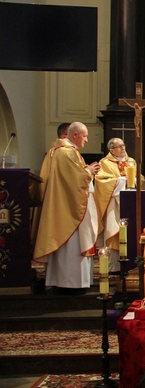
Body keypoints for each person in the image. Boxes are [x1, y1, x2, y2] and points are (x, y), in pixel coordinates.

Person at [33, 122, 101, 292]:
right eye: (84, 136)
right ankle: (70, 283)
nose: (86, 140)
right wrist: (89, 171)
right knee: (71, 245)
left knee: (68, 245)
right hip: (69, 209)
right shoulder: (65, 153)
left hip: (64, 204)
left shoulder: (59, 152)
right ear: (74, 135)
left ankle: (65, 281)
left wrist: (85, 170)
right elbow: (74, 180)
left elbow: (69, 177)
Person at [94, 138, 135, 272]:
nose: (123, 148)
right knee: (113, 230)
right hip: (113, 204)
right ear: (111, 150)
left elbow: (139, 179)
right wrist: (122, 181)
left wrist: (133, 180)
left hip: (130, 202)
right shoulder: (104, 163)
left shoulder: (131, 161)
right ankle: (114, 267)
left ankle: (130, 265)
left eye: (123, 145)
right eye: (119, 147)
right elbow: (101, 182)